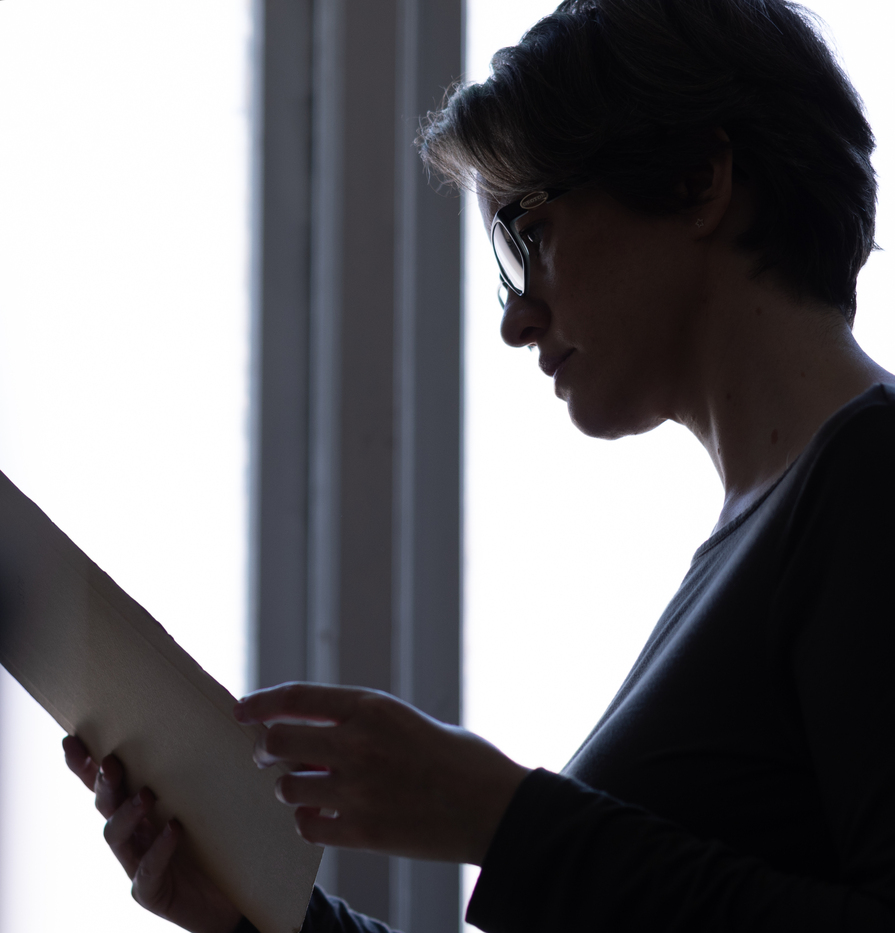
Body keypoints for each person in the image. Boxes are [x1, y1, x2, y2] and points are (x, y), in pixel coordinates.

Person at [65, 0, 895, 929]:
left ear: (699, 181)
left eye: (528, 235)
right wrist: (258, 918)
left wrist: (504, 818)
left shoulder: (871, 482)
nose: (514, 319)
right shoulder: (770, 533)